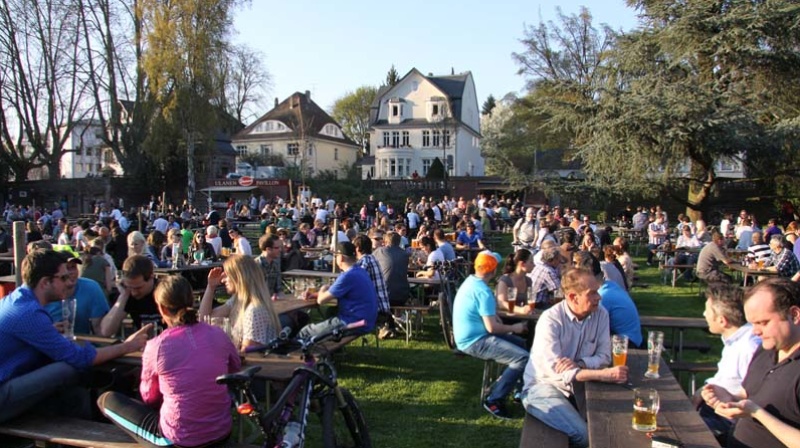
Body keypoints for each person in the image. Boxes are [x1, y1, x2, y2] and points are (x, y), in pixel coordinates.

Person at [0, 249, 149, 424]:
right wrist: (126, 346)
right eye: (62, 278)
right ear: (45, 282)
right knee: (67, 369)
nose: (69, 281)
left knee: (72, 393)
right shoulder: (29, 312)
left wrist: (48, 332)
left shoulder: (17, 300)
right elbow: (79, 358)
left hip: (9, 383)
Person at [98, 275, 240, 447]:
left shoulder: (156, 346)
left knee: (106, 400)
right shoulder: (218, 334)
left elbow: (149, 398)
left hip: (178, 439)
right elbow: (234, 368)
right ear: (191, 301)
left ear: (163, 309)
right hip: (221, 431)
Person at [522, 268, 628, 447]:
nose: (599, 297)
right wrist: (605, 375)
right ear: (572, 297)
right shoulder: (550, 320)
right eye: (592, 293)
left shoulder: (600, 313)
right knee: (587, 436)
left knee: (615, 426)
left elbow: (604, 356)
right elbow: (559, 374)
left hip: (579, 387)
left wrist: (580, 363)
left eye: (598, 291)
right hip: (542, 388)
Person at [701, 278, 800, 448]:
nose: (755, 331)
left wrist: (757, 413)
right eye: (752, 323)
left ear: (794, 315)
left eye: (763, 323)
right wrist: (728, 397)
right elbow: (751, 393)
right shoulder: (767, 349)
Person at [453, 251, 529, 419]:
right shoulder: (483, 292)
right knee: (522, 358)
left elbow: (489, 317)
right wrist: (515, 327)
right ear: (493, 271)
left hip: (469, 336)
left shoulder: (471, 282)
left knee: (521, 345)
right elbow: (492, 328)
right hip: (474, 341)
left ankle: (519, 391)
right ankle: (494, 399)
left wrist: (504, 324)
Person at [694, 283, 760, 445]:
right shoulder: (736, 340)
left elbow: (756, 396)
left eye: (707, 311)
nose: (704, 314)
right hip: (714, 409)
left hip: (727, 422)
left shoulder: (748, 348)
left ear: (722, 321)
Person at [199, 255, 281, 352]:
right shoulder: (238, 300)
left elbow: (248, 354)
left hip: (254, 365)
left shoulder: (254, 311)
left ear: (239, 277)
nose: (222, 280)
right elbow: (205, 319)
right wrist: (211, 287)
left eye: (227, 275)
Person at [299, 242, 378, 339]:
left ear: (341, 258)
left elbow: (321, 300)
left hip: (354, 323)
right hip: (366, 321)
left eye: (335, 255)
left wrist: (323, 287)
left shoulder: (348, 276)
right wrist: (314, 294)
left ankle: (290, 353)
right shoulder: (360, 271)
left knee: (305, 332)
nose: (335, 258)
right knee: (330, 313)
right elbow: (335, 291)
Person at [105, 255, 162, 332]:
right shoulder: (128, 293)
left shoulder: (165, 292)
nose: (134, 293)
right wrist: (123, 296)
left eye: (138, 288)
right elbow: (106, 331)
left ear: (151, 277)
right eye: (130, 287)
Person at [373, 231, 410, 307]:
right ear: (399, 242)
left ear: (385, 241)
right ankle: (398, 316)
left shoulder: (380, 251)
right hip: (403, 295)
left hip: (384, 295)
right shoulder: (405, 254)